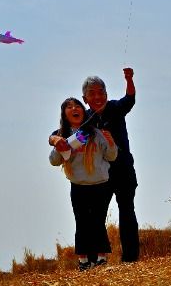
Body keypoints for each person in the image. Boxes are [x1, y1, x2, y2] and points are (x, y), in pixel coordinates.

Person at [49, 68, 140, 262]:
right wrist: (53, 138)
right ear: (85, 98)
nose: (97, 96)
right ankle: (91, 260)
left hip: (123, 169)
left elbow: (130, 98)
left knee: (127, 211)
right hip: (100, 173)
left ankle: (130, 258)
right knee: (96, 218)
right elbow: (61, 132)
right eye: (92, 93)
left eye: (101, 92)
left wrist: (129, 79)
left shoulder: (115, 108)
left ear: (106, 95)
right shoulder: (85, 119)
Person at [49, 97, 117, 270]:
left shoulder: (96, 132)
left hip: (100, 183)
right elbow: (54, 161)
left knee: (98, 221)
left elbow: (111, 156)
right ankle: (84, 260)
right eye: (69, 107)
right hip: (78, 185)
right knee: (81, 222)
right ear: (65, 114)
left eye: (77, 105)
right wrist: (58, 145)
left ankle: (101, 258)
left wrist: (111, 143)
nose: (74, 108)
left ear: (83, 111)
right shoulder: (63, 136)